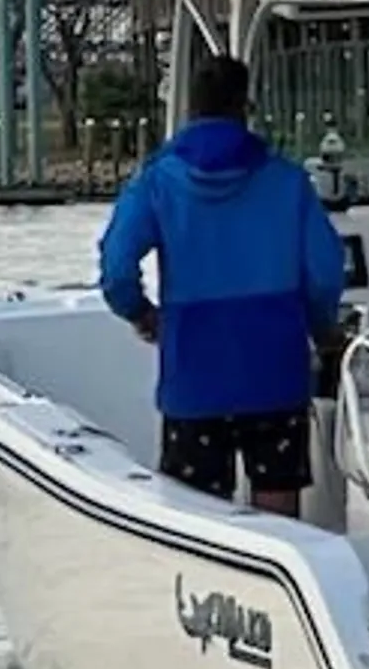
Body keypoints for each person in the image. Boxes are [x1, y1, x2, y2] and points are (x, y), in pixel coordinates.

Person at [97, 56, 346, 518]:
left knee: (198, 518)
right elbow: (326, 271)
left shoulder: (157, 180)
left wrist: (143, 314)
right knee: (279, 509)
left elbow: (115, 269)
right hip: (275, 374)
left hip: (195, 379)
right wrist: (322, 329)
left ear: (190, 108)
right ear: (245, 106)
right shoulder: (288, 181)